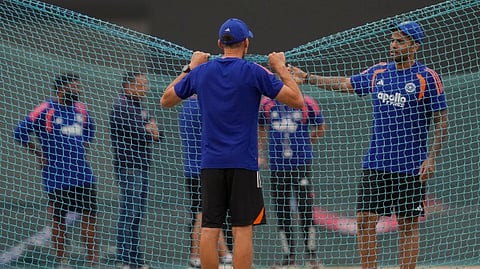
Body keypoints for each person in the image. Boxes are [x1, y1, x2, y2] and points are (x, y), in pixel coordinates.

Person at [290, 21, 448, 269]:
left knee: (407, 224)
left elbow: (442, 121)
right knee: (364, 220)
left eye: (400, 41)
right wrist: (308, 78)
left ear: (415, 46)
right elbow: (344, 84)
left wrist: (432, 158)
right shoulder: (378, 72)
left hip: (411, 166)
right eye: (393, 40)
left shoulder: (427, 78)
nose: (393, 45)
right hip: (376, 163)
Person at [160, 17, 304, 269]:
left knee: (209, 227)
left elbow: (166, 100)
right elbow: (296, 100)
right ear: (246, 43)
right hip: (244, 164)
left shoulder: (201, 72)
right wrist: (280, 67)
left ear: (219, 43)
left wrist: (190, 67)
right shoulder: (255, 72)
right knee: (242, 229)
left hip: (211, 164)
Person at [13, 73, 99, 268]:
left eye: (79, 86)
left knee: (90, 220)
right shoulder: (46, 109)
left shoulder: (82, 109)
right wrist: (39, 153)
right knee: (59, 222)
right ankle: (63, 262)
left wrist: (80, 148)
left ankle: (93, 262)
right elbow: (19, 133)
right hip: (56, 178)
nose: (78, 90)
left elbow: (90, 131)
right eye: (74, 86)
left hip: (83, 175)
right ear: (62, 89)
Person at [258, 95, 326, 268]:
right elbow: (260, 128)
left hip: (301, 165)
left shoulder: (306, 102)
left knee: (305, 209)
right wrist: (261, 150)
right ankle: (289, 258)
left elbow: (321, 126)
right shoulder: (266, 105)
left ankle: (312, 257)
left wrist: (307, 143)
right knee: (282, 212)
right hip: (277, 166)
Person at [110, 72, 161, 269]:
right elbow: (139, 133)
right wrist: (149, 131)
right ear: (128, 86)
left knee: (137, 214)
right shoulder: (121, 106)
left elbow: (156, 133)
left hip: (142, 166)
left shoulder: (139, 106)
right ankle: (123, 259)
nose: (145, 89)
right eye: (141, 85)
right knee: (129, 212)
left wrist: (151, 131)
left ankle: (135, 259)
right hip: (129, 167)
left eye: (145, 85)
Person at [179, 96, 233, 268]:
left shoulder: (187, 106)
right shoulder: (201, 106)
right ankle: (196, 256)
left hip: (195, 169)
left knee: (206, 213)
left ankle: (224, 254)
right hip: (205, 169)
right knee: (204, 215)